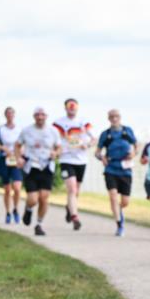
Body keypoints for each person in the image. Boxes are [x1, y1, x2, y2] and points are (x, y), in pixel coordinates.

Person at [16, 107, 61, 236]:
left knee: (44, 198)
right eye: (37, 115)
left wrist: (55, 153)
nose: (40, 117)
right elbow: (17, 145)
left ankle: (39, 224)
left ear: (46, 116)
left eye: (42, 115)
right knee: (33, 199)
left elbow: (59, 147)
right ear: (34, 116)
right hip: (31, 166)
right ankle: (28, 208)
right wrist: (19, 158)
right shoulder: (27, 130)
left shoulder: (53, 131)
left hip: (47, 166)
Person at [53, 98, 94, 231]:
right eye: (69, 107)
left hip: (81, 160)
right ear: (65, 108)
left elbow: (94, 139)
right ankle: (75, 218)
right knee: (72, 189)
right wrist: (56, 150)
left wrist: (87, 145)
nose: (72, 109)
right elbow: (53, 139)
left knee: (76, 191)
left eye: (74, 107)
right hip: (66, 159)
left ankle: (69, 208)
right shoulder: (58, 123)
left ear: (77, 107)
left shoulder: (84, 122)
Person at [95, 109, 137, 237]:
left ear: (120, 117)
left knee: (125, 202)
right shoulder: (105, 134)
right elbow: (97, 152)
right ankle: (119, 224)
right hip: (111, 169)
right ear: (108, 118)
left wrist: (133, 153)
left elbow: (136, 146)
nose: (114, 119)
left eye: (116, 116)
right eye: (112, 117)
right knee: (113, 196)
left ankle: (118, 211)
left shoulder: (127, 131)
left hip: (125, 170)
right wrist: (102, 157)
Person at [0, 106, 22, 224]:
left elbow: (25, 143)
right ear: (5, 115)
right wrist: (3, 147)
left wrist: (20, 152)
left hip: (16, 160)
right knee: (7, 190)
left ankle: (16, 209)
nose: (10, 115)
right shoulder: (1, 130)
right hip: (4, 160)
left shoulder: (19, 129)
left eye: (11, 113)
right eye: (8, 113)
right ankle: (8, 212)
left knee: (17, 188)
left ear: (14, 115)